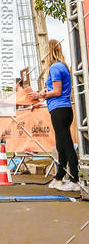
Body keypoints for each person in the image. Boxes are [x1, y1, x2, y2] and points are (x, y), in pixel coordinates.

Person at [30, 40, 80, 192]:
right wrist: (44, 96)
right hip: (63, 108)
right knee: (61, 145)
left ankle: (75, 180)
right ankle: (59, 177)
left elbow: (57, 91)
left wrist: (40, 94)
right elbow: (58, 91)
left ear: (49, 51)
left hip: (59, 109)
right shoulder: (62, 66)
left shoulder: (54, 67)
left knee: (66, 144)